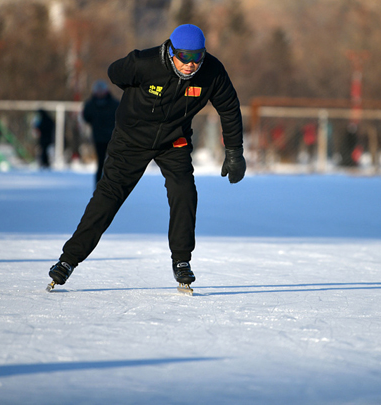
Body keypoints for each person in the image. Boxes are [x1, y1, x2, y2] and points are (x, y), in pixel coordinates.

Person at [47, 24, 245, 291]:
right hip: (131, 140)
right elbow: (114, 73)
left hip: (173, 141)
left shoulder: (212, 71)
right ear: (171, 50)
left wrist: (234, 151)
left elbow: (230, 108)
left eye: (197, 57)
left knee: (184, 191)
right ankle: (68, 260)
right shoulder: (145, 63)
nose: (190, 65)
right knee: (108, 196)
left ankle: (182, 261)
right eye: (184, 57)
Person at [83, 79, 119, 184]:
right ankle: (98, 186)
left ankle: (112, 185)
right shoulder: (91, 104)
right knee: (101, 162)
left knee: (113, 163)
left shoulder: (114, 104)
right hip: (98, 138)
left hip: (113, 137)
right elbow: (86, 117)